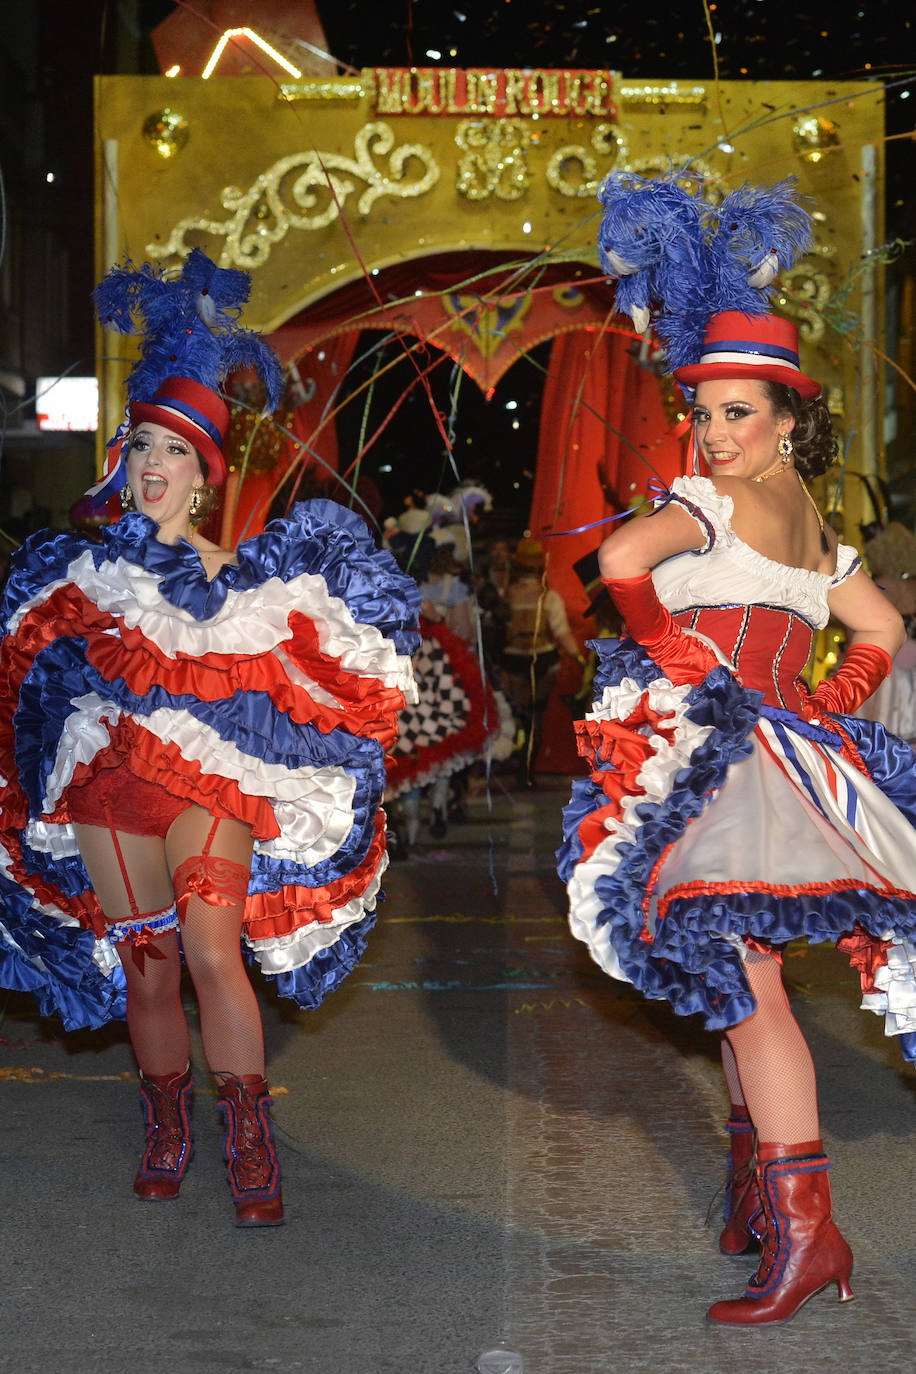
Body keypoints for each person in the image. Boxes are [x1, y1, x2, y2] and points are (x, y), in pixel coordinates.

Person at [560, 173, 916, 1326]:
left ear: (784, 422)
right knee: (734, 974)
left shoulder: (712, 507)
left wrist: (666, 650)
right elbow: (879, 625)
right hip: (783, 757)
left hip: (721, 760)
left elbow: (616, 565)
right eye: (703, 412)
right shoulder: (815, 521)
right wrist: (832, 699)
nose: (712, 433)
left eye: (736, 415)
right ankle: (762, 1204)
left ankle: (808, 1235)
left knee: (749, 988)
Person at [0, 251, 420, 1226]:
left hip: (208, 793)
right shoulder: (82, 573)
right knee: (147, 963)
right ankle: (165, 1124)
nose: (154, 464)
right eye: (143, 443)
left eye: (176, 450)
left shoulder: (248, 587)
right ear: (122, 454)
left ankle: (246, 1131)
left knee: (210, 948)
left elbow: (311, 693)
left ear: (207, 472)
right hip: (108, 784)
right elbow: (26, 675)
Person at [501, 536, 584, 784]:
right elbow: (562, 632)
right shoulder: (549, 597)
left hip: (513, 658)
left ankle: (521, 766)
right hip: (543, 659)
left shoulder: (508, 596)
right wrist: (579, 658)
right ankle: (527, 771)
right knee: (535, 718)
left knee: (519, 716)